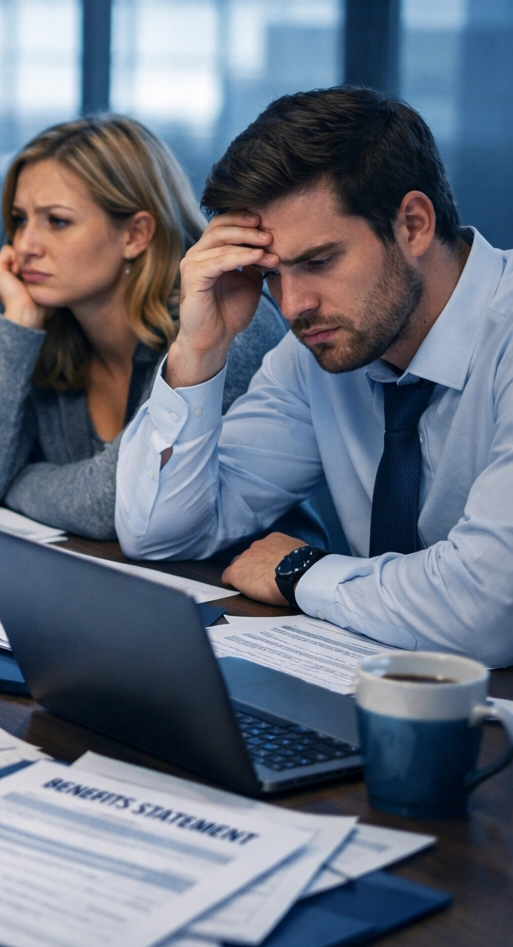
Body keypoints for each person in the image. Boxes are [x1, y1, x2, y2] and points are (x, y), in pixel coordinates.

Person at [116, 86, 513, 667]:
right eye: (272, 274)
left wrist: (302, 571)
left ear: (414, 224)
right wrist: (199, 346)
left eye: (320, 261)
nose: (293, 304)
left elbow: (487, 612)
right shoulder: (322, 351)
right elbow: (157, 533)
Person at [0, 115, 286, 538]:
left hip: (244, 594)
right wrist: (17, 325)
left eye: (57, 221)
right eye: (20, 219)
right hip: (109, 587)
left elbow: (118, 502)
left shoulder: (227, 316)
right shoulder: (47, 328)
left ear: (135, 235)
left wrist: (18, 482)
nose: (24, 246)